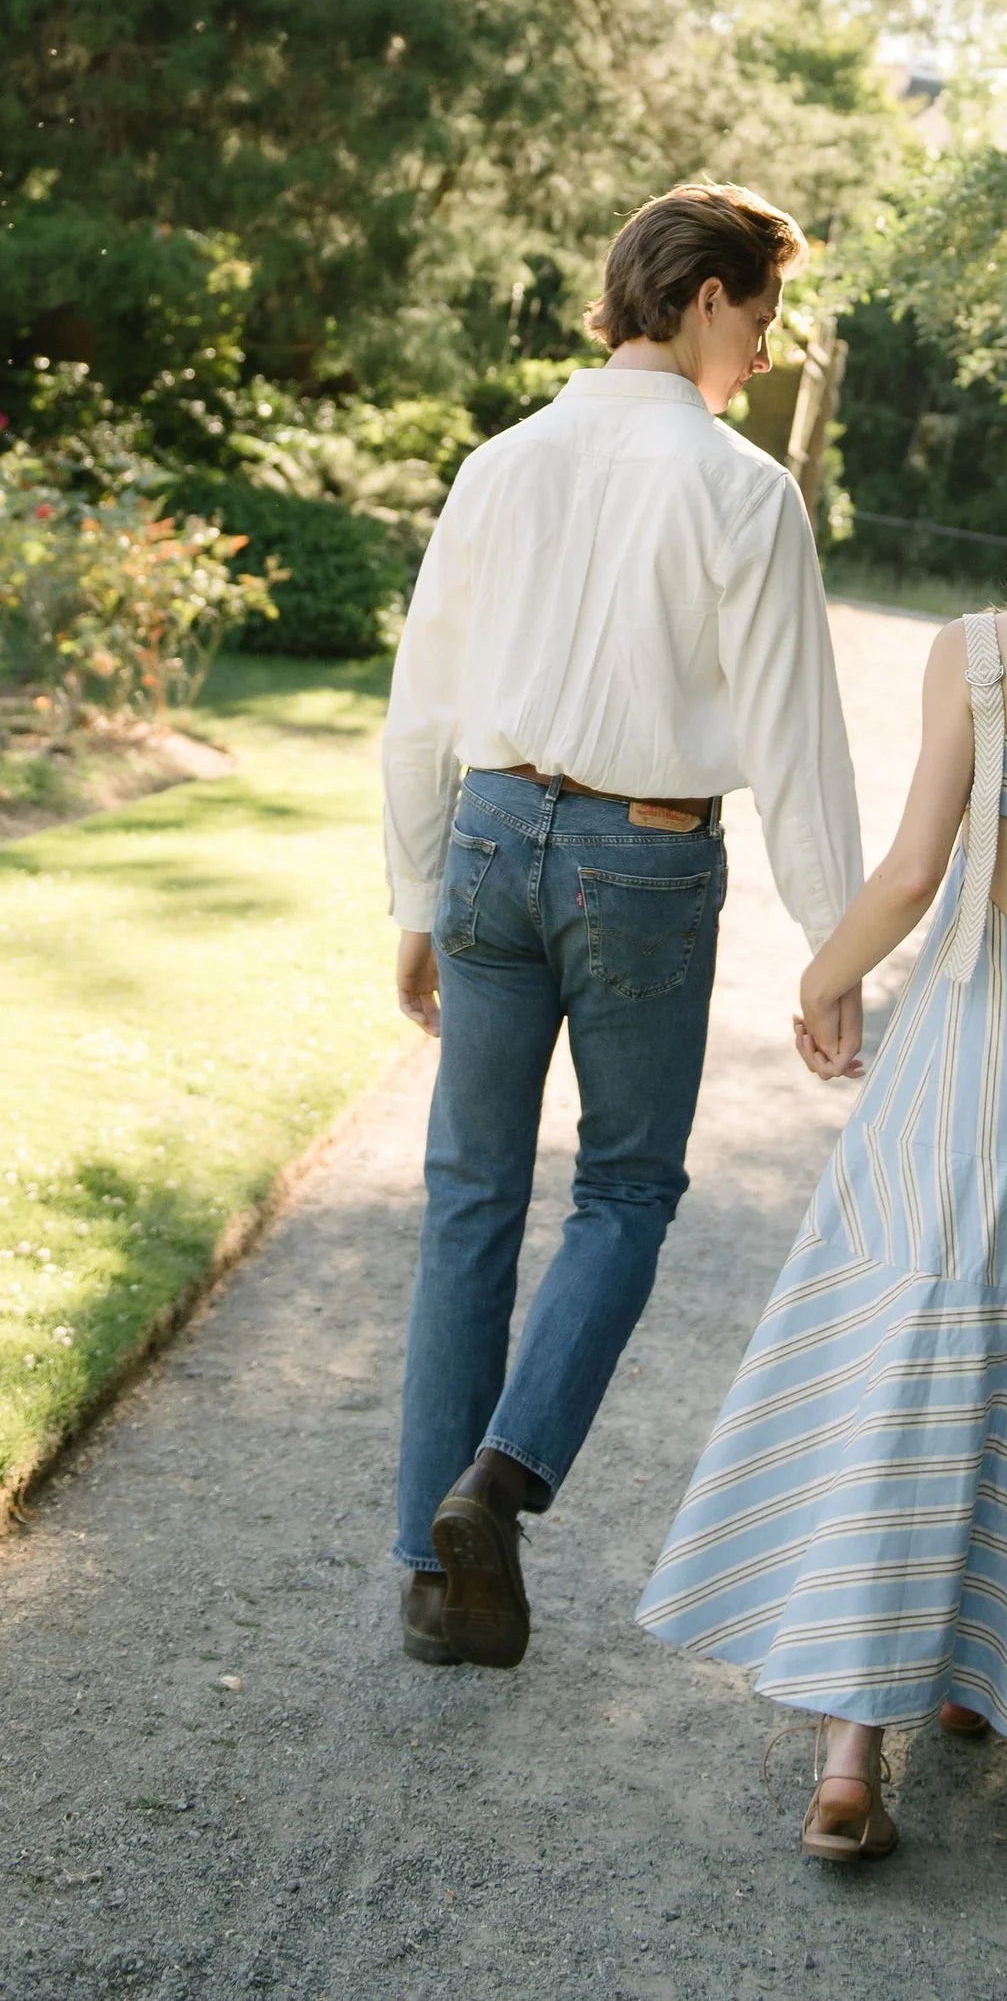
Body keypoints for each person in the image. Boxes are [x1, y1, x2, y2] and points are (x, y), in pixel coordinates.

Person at [638, 412, 1007, 1863]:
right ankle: (977, 1658)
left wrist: (822, 972)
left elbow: (915, 869)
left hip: (970, 1048)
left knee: (914, 1337)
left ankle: (853, 1754)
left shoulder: (980, 651)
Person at [381, 182, 863, 1673]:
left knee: (469, 1195)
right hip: (640, 858)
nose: (762, 353)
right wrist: (834, 950)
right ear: (708, 295)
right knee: (629, 1189)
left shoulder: (502, 461)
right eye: (763, 317)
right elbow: (798, 739)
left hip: (485, 835)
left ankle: (431, 1574)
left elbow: (423, 701)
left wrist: (412, 900)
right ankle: (500, 1480)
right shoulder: (741, 489)